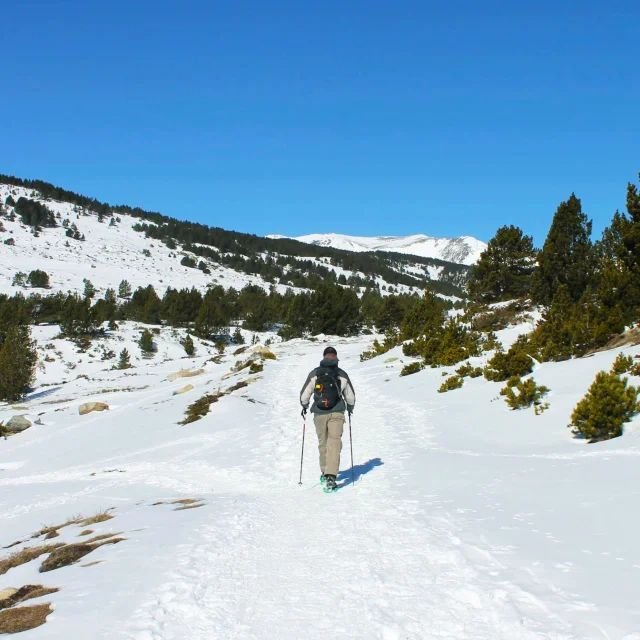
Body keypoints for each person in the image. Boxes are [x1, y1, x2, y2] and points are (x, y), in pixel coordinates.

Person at [299, 346, 356, 491]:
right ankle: (331, 476)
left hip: (319, 413)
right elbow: (350, 396)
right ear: (336, 357)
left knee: (323, 443)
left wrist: (304, 405)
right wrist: (350, 407)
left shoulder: (315, 373)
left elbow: (304, 395)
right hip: (337, 412)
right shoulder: (341, 374)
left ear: (324, 357)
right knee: (335, 442)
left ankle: (325, 472)